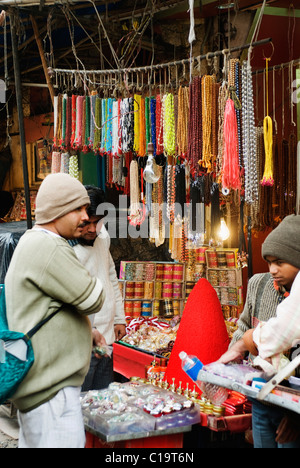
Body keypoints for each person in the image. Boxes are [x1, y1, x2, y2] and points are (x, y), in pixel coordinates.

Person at [4, 173, 106, 448]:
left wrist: (88, 331)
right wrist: (95, 279)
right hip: (52, 395)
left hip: (45, 392)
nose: (86, 217)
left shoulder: (34, 241)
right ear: (58, 211)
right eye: (78, 209)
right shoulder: (48, 246)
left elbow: (53, 308)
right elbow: (93, 297)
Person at [218, 214, 300, 448]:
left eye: (280, 262)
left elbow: (278, 333)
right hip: (261, 398)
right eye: (269, 262)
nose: (273, 269)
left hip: (292, 406)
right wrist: (230, 365)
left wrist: (296, 416)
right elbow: (243, 326)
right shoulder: (258, 283)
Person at [71, 186, 126, 391]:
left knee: (103, 398)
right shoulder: (68, 250)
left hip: (107, 338)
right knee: (82, 401)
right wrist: (89, 329)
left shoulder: (102, 237)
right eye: (88, 223)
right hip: (85, 341)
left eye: (98, 222)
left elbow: (111, 276)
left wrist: (119, 318)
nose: (93, 229)